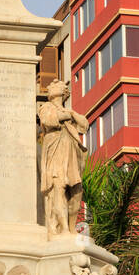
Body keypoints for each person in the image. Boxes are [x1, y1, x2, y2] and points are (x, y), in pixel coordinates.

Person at [38, 80, 88, 239]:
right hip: (55, 152)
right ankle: (64, 229)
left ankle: (72, 228)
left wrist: (71, 114)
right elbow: (48, 120)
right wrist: (68, 115)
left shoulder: (69, 111)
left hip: (71, 154)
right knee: (58, 188)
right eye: (52, 85)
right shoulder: (45, 107)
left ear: (64, 92)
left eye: (57, 84)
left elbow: (84, 124)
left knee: (76, 193)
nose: (52, 84)